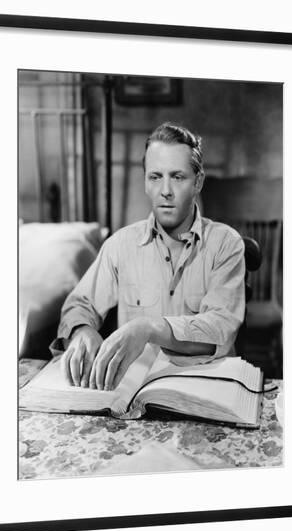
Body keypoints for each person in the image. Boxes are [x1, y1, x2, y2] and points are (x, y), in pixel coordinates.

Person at [51, 122, 245, 392]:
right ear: (145, 181)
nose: (165, 190)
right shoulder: (120, 244)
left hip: (207, 390)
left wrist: (149, 328)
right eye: (155, 177)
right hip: (136, 392)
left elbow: (221, 327)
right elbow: (80, 304)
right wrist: (81, 330)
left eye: (177, 177)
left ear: (198, 181)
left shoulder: (226, 243)